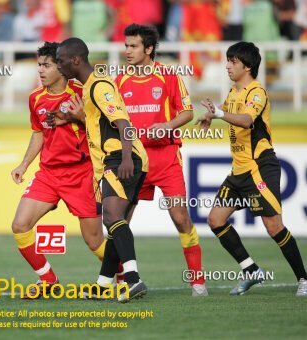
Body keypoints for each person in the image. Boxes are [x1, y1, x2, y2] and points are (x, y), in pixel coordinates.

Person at [196, 41, 307, 296]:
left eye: (233, 61)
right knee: (215, 220)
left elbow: (246, 120)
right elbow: (226, 113)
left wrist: (220, 114)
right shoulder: (234, 93)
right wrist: (210, 116)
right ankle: (251, 270)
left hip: (260, 167)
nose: (227, 66)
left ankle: (303, 278)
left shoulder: (256, 92)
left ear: (247, 66)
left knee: (274, 227)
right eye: (227, 60)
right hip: (239, 171)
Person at [115, 24, 207, 297]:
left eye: (133, 46)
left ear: (149, 48)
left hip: (166, 159)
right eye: (126, 45)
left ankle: (198, 281)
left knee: (180, 218)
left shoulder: (169, 76)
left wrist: (166, 125)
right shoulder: (120, 80)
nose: (127, 51)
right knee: (120, 221)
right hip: (134, 160)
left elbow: (187, 112)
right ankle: (125, 280)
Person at [55, 37, 149, 302]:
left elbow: (123, 122)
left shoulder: (100, 85)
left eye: (61, 61)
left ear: (75, 60)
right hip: (113, 160)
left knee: (111, 217)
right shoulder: (88, 88)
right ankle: (104, 284)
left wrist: (128, 158)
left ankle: (133, 280)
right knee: (115, 222)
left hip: (122, 158)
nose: (59, 66)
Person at [11, 41, 107, 298]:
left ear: (61, 67)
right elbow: (38, 133)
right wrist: (24, 164)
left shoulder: (82, 91)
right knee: (20, 225)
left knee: (94, 241)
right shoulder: (35, 98)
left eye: (47, 65)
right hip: (49, 174)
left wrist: (79, 117)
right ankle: (48, 280)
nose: (40, 70)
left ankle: (123, 277)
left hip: (81, 174)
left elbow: (104, 127)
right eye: (39, 64)